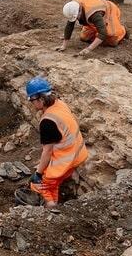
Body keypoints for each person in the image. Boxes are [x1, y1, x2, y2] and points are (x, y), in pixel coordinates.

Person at [16, 77, 88, 209]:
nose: (32, 104)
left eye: (32, 100)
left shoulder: (48, 122)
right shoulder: (59, 104)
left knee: (44, 184)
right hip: (79, 153)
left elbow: (47, 151)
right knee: (48, 178)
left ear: (41, 99)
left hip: (67, 159)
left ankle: (51, 209)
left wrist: (38, 173)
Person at [56, 0, 127, 56]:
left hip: (110, 10)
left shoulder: (94, 14)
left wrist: (89, 49)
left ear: (80, 11)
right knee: (84, 37)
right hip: (94, 17)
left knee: (112, 39)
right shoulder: (73, 7)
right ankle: (98, 34)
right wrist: (64, 46)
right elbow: (69, 25)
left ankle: (123, 31)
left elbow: (103, 33)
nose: (76, 19)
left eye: (77, 17)